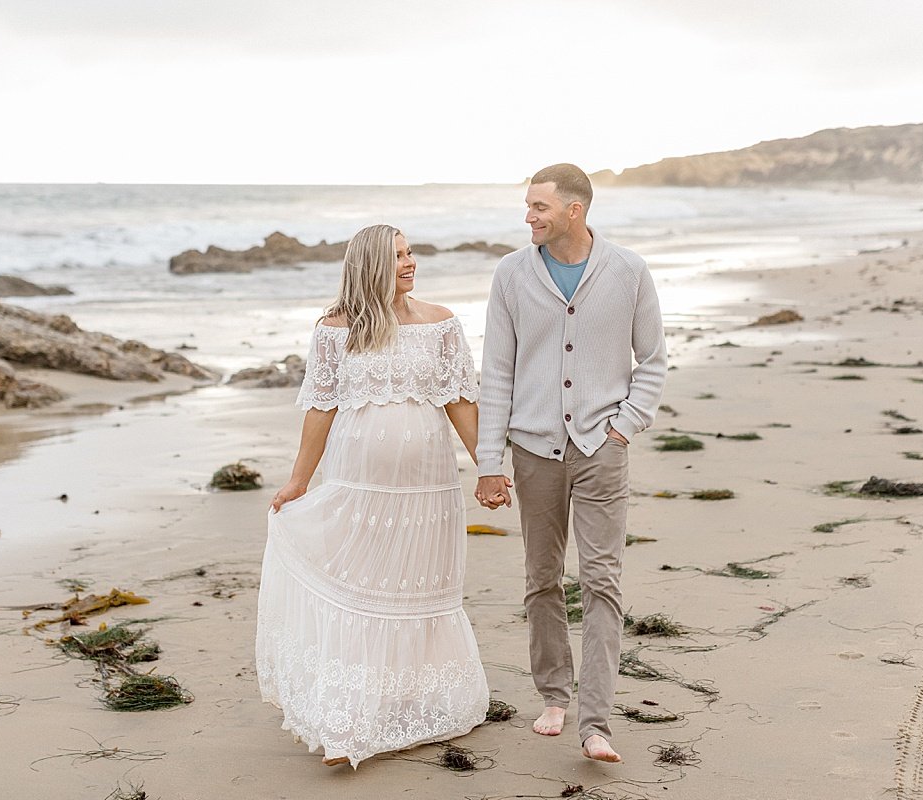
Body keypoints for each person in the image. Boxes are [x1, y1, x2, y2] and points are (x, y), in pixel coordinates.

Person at [255, 223, 490, 768]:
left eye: (411, 254)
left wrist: (491, 469)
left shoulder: (442, 324)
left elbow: (460, 403)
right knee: (363, 586)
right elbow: (322, 407)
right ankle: (353, 714)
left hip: (428, 490)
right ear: (369, 267)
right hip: (356, 486)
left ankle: (420, 700)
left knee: (420, 588)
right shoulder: (335, 330)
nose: (411, 263)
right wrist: (299, 480)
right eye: (399, 257)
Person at [474, 164, 667, 763]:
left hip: (600, 449)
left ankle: (596, 723)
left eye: (538, 207)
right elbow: (498, 372)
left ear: (573, 210)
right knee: (541, 578)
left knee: (603, 582)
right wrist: (489, 460)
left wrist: (623, 426)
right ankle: (554, 693)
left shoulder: (628, 270)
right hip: (533, 450)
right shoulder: (511, 274)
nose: (528, 216)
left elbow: (653, 361)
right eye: (528, 207)